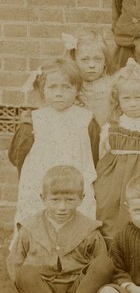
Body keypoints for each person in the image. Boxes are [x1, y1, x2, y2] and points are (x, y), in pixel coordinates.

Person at [7, 165, 113, 293]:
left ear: (81, 199)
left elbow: (99, 267)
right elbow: (14, 264)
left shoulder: (89, 230)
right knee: (25, 272)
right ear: (43, 198)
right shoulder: (30, 228)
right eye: (55, 200)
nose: (62, 207)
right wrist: (28, 288)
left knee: (105, 263)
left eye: (69, 200)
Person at [9, 59, 100, 225]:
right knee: (37, 222)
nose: (59, 93)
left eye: (66, 87)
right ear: (42, 90)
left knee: (77, 222)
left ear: (77, 89)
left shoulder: (86, 120)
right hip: (40, 183)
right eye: (52, 87)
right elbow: (17, 156)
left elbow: (94, 156)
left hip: (75, 182)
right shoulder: (33, 121)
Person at [94, 61, 140, 238]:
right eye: (126, 98)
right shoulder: (112, 126)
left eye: (138, 98)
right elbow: (102, 156)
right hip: (115, 184)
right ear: (117, 99)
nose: (132, 104)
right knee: (111, 214)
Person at [65, 29, 114, 126]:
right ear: (74, 60)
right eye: (85, 60)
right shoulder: (68, 86)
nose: (92, 65)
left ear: (105, 61)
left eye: (98, 59)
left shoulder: (113, 86)